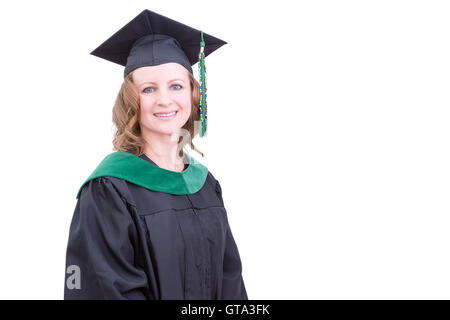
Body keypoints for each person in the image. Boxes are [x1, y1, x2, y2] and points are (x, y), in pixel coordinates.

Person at [63, 9, 248, 300]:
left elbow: (231, 282)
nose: (165, 100)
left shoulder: (205, 184)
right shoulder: (109, 190)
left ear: (192, 94)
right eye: (149, 89)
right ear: (131, 100)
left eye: (176, 86)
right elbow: (104, 289)